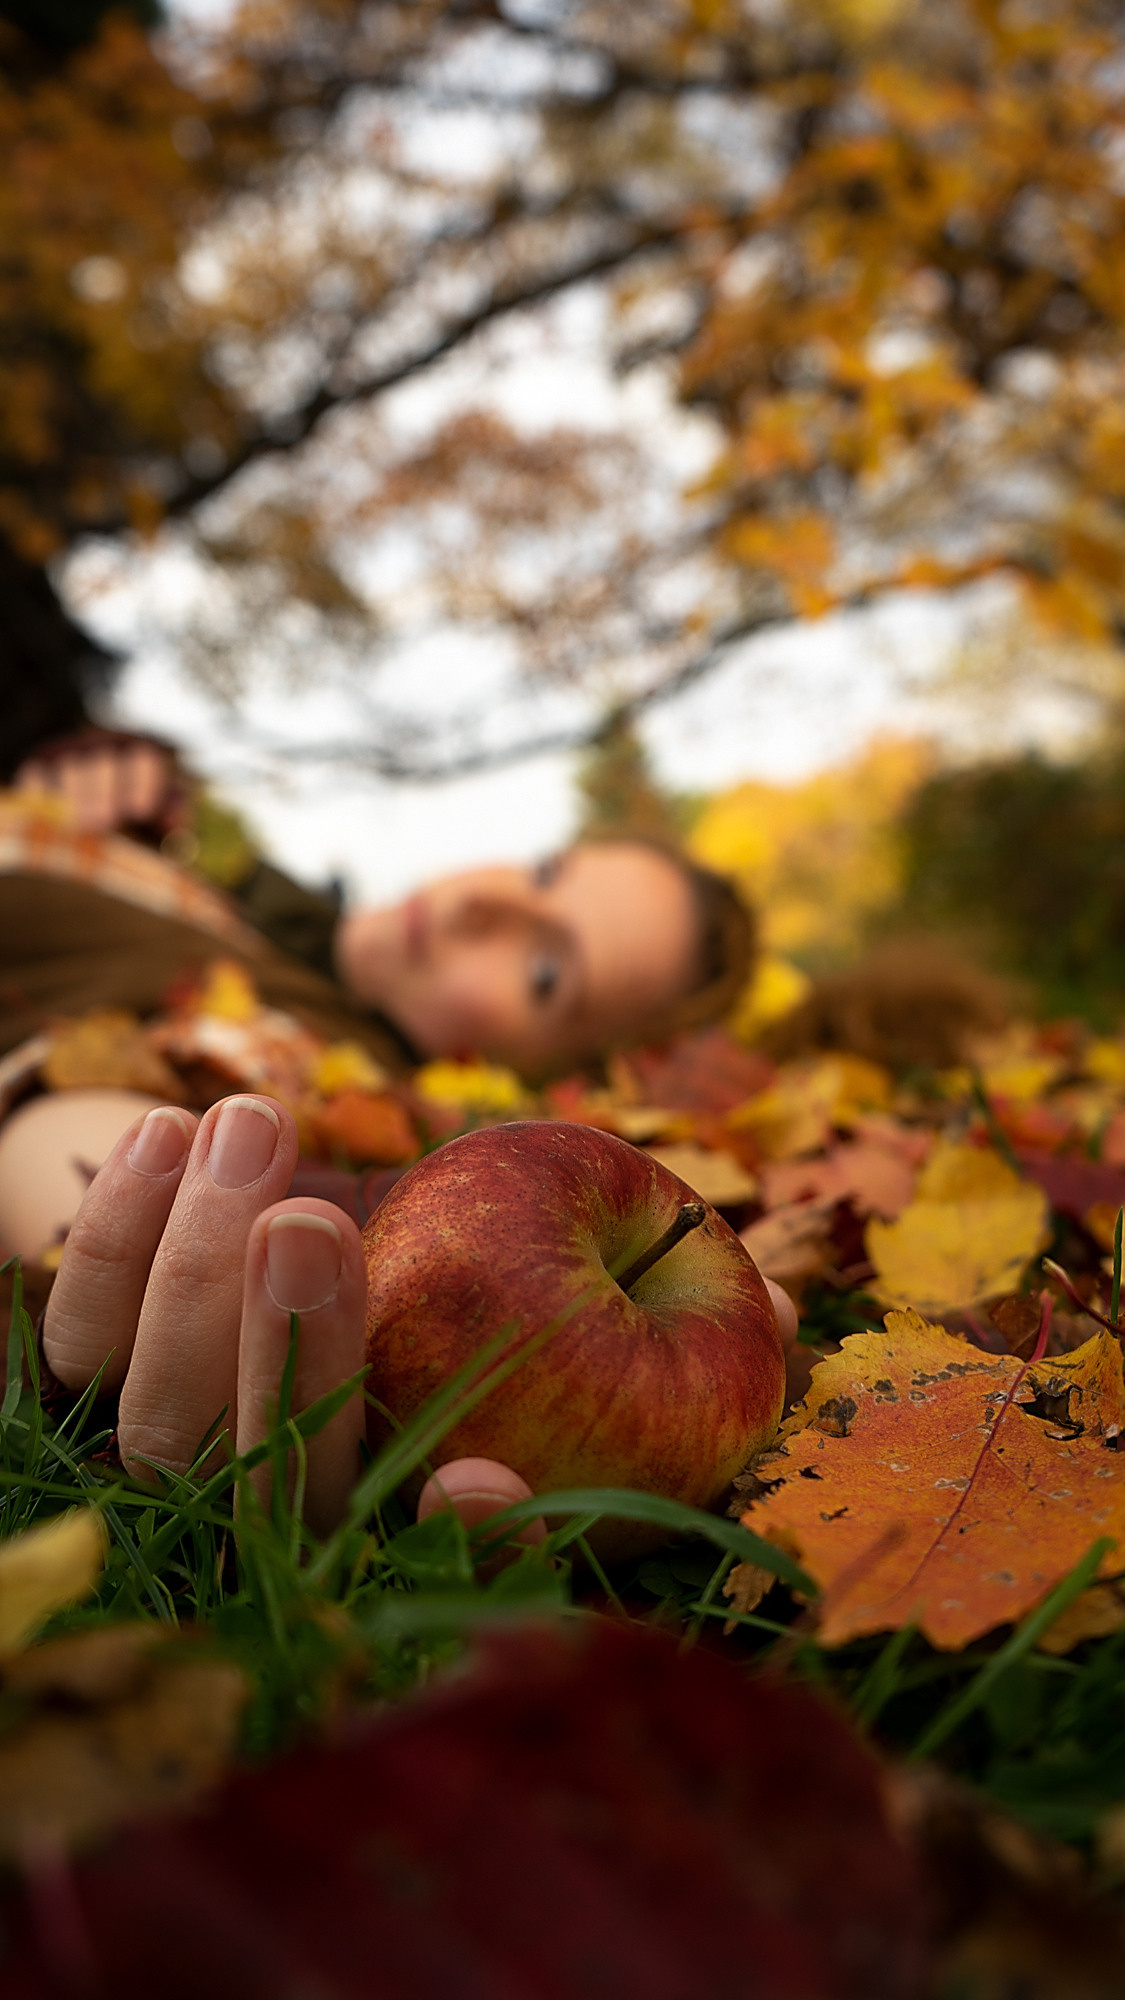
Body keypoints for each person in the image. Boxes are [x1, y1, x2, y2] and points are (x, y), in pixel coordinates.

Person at [7, 729, 784, 1542]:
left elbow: (96, 1122)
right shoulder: (236, 899)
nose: (488, 904)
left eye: (545, 971)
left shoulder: (310, 1044)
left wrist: (137, 1223)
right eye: (544, 871)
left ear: (550, 1078)